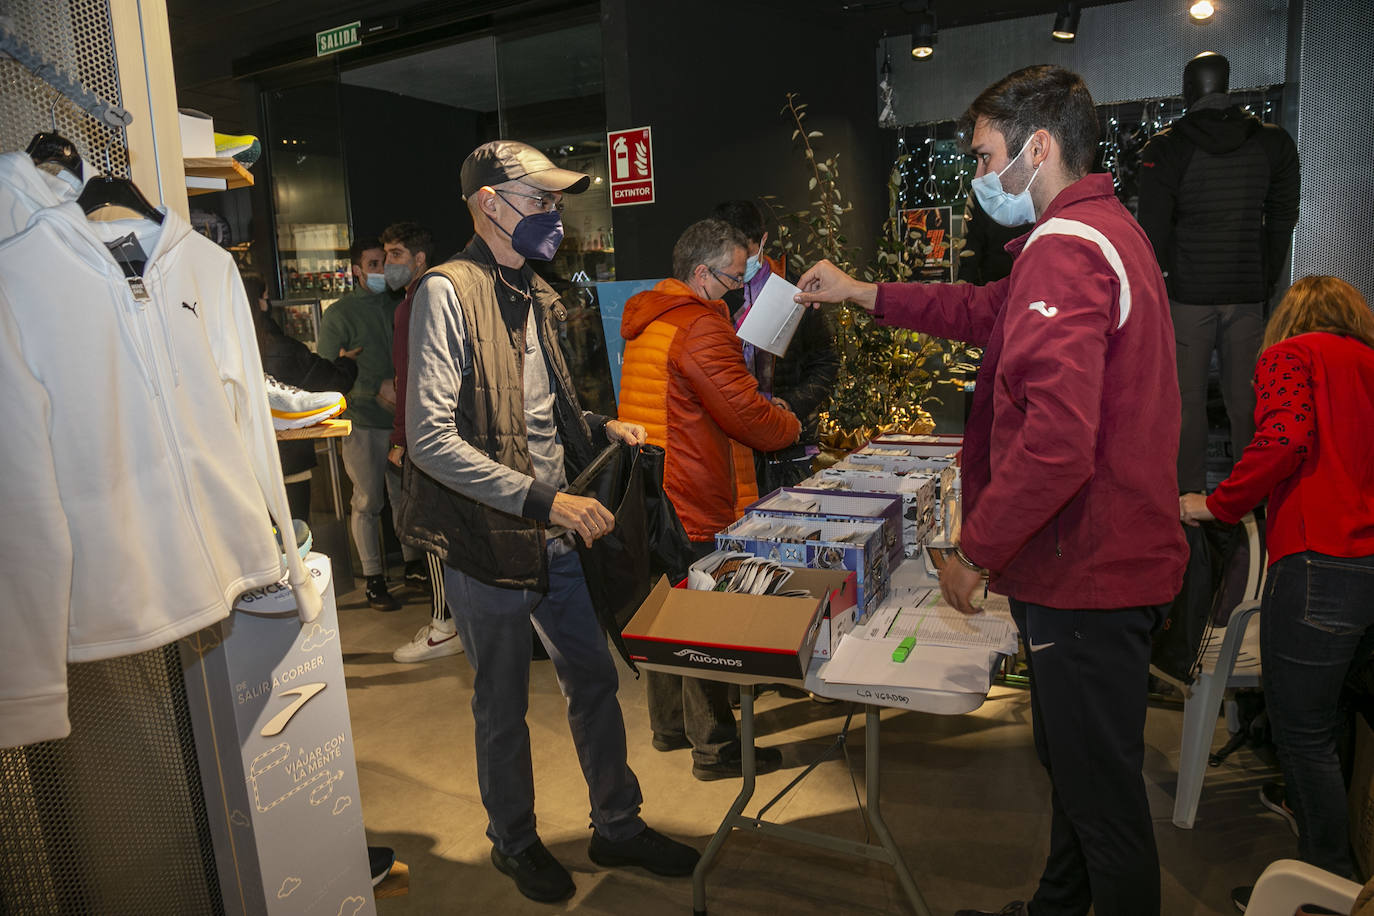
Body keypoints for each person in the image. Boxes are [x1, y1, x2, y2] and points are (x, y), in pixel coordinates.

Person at [794, 65, 1188, 916]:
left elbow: (1055, 444)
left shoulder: (1065, 248)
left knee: (1103, 801)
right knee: (1081, 773)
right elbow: (979, 310)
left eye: (983, 156)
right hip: (1106, 562)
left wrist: (975, 552)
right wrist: (865, 293)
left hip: (1086, 571)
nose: (977, 177)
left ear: (1036, 147)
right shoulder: (1105, 232)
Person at [402, 139, 699, 903]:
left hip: (557, 534)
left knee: (593, 680)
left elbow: (537, 408)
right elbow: (432, 439)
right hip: (487, 537)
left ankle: (617, 825)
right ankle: (515, 841)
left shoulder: (536, 290)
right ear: (489, 203)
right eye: (539, 201)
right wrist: (545, 500)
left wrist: (599, 427)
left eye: (557, 203)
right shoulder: (448, 290)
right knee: (501, 703)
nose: (553, 217)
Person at [1180, 276, 1374, 903]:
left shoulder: (1289, 356)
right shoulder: (1369, 362)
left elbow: (1283, 439)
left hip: (1322, 563)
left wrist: (1219, 503)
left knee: (1303, 729)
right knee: (1340, 710)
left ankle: (1325, 887)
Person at [617, 218, 801, 780]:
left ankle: (670, 727)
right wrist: (790, 425)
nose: (738, 289)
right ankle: (716, 747)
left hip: (654, 487)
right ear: (701, 273)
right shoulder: (700, 327)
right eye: (733, 277)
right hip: (694, 491)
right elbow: (745, 413)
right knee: (706, 618)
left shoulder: (651, 318)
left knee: (671, 608)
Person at [1137, 51, 1301, 493]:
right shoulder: (1272, 143)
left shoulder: (1168, 147)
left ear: (1189, 89)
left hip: (1188, 294)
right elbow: (1282, 218)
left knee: (1186, 405)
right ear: (1225, 86)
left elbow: (1151, 230)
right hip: (1246, 291)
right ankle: (1256, 499)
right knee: (1249, 402)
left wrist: (1166, 280)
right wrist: (1265, 278)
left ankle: (1188, 502)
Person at [317, 237, 421, 611]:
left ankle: (412, 566)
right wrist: (366, 391)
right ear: (357, 269)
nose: (383, 269)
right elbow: (326, 373)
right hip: (363, 422)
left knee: (404, 496)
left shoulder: (401, 304)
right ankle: (374, 579)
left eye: (388, 260)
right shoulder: (339, 314)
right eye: (375, 263)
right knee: (367, 501)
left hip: (403, 422)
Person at [376, 221, 463, 663]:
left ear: (419, 259)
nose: (387, 263)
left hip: (424, 437)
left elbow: (415, 379)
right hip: (442, 432)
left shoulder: (418, 304)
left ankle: (445, 625)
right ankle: (452, 620)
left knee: (430, 532)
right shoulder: (421, 299)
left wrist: (401, 439)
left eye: (394, 254)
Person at [711, 199, 838, 491]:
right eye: (732, 254)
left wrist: (790, 402)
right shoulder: (711, 297)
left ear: (763, 240)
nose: (742, 263)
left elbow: (826, 361)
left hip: (788, 447)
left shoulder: (796, 291)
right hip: (730, 446)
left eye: (748, 250)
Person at [243, 270, 358, 520]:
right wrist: (346, 363)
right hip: (290, 466)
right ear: (260, 302)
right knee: (294, 540)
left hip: (247, 467)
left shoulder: (233, 349)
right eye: (266, 296)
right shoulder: (285, 349)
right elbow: (334, 382)